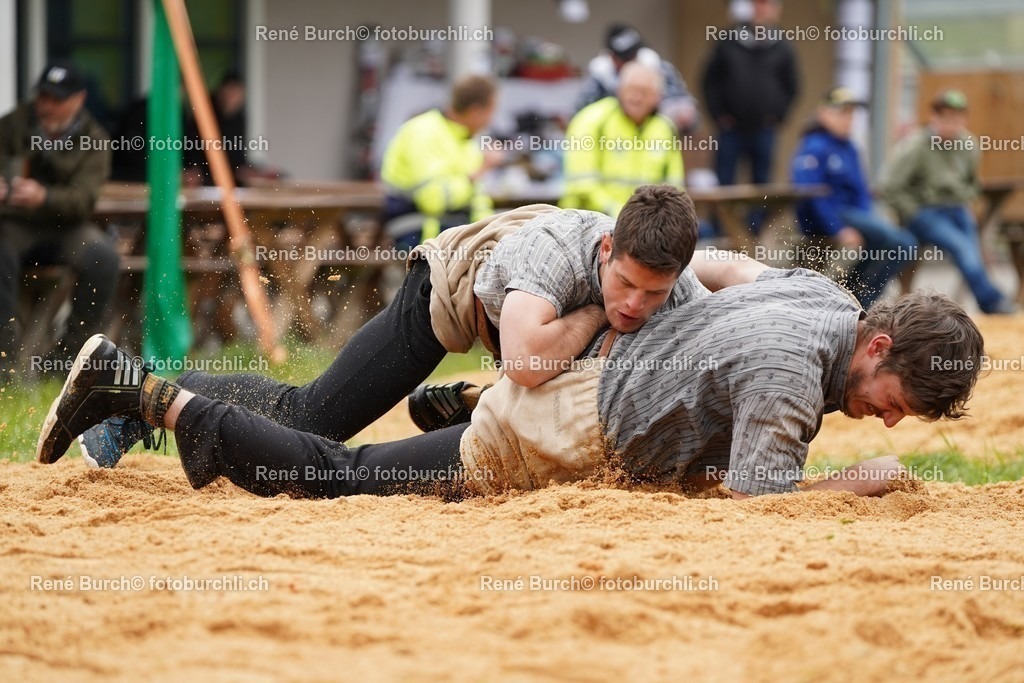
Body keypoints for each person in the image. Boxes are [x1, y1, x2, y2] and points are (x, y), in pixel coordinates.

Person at [38, 264, 983, 501]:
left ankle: (472, 395)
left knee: (334, 439)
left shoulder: (820, 295)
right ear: (879, 346)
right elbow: (757, 501)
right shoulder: (790, 376)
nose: (888, 425)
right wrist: (851, 483)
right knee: (335, 473)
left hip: (589, 380)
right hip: (569, 427)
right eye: (896, 403)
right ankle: (145, 392)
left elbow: (721, 268)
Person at [73, 186, 734, 469]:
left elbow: (734, 293)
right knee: (312, 420)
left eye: (653, 293)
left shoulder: (676, 289)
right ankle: (135, 393)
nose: (634, 303)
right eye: (624, 283)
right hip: (442, 293)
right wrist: (592, 312)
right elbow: (530, 363)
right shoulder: (557, 253)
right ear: (607, 248)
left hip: (513, 330)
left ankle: (464, 403)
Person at [0, 62, 117, 377]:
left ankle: (70, 359)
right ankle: (3, 361)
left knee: (104, 258)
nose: (47, 106)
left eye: (56, 99)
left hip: (67, 226)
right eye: (43, 97)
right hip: (15, 224)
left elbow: (84, 200)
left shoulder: (95, 138)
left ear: (79, 99)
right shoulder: (12, 125)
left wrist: (46, 197)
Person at [878, 90, 1015, 315]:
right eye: (946, 118)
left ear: (965, 120)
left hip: (958, 209)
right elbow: (889, 185)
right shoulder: (915, 146)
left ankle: (992, 303)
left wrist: (966, 198)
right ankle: (994, 303)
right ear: (933, 117)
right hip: (926, 212)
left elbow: (973, 183)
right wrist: (912, 211)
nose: (951, 124)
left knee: (972, 253)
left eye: (957, 118)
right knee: (964, 249)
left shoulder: (969, 145)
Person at [791, 87, 918, 308]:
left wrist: (869, 221)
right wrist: (837, 229)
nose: (848, 119)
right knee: (901, 243)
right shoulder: (813, 147)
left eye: (851, 114)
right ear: (823, 113)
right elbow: (810, 195)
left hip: (856, 217)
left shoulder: (850, 148)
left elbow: (861, 192)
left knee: (899, 245)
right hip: (829, 220)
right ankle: (859, 301)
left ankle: (855, 298)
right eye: (842, 113)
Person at [702, 0, 800, 231]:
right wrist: (719, 115)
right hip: (730, 129)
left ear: (776, 10)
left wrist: (777, 116)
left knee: (762, 183)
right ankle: (722, 230)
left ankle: (754, 233)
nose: (762, 10)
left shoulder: (782, 47)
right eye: (758, 4)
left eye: (767, 5)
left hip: (764, 129)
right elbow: (709, 82)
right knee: (724, 182)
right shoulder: (728, 42)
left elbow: (792, 87)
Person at [380, 74, 500, 249]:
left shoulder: (466, 140)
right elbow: (432, 201)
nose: (491, 121)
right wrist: (478, 172)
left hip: (451, 233)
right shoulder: (423, 132)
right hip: (418, 233)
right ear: (475, 111)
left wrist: (493, 231)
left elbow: (477, 201)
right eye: (491, 112)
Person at [561, 62, 684, 216]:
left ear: (657, 97)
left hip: (643, 224)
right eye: (630, 90)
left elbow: (674, 187)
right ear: (619, 90)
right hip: (587, 221)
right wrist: (623, 215)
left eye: (644, 92)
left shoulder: (665, 128)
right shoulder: (592, 120)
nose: (636, 97)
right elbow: (583, 185)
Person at [574, 23, 699, 134]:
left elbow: (687, 108)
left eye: (634, 54)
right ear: (612, 57)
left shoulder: (661, 70)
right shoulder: (597, 80)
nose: (632, 61)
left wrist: (681, 115)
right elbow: (579, 116)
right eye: (626, 58)